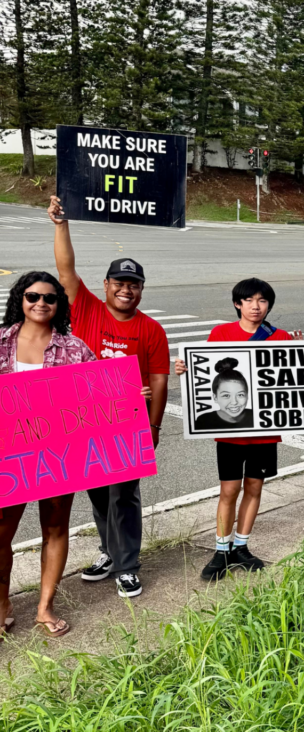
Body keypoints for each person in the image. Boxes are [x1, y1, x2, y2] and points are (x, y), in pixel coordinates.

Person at [49, 196, 169, 600]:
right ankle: (109, 551)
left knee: (123, 495)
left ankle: (128, 565)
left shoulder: (151, 329)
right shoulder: (85, 308)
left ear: (141, 290)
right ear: (106, 285)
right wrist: (61, 224)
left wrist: (152, 426)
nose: (126, 289)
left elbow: (159, 379)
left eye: (133, 284)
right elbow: (66, 270)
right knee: (98, 494)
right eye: (119, 282)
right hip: (84, 419)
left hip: (127, 422)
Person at [174, 278, 297, 581]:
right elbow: (204, 368)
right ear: (237, 304)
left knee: (255, 487)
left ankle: (241, 545)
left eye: (263, 301)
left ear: (269, 305)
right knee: (229, 490)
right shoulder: (221, 333)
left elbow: (294, 378)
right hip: (230, 432)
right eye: (249, 300)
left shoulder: (280, 336)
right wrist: (185, 368)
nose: (256, 307)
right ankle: (221, 549)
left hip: (265, 430)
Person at [0, 273, 98, 639]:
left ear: (60, 304)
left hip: (59, 455)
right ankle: (3, 604)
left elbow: (98, 398)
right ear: (20, 299)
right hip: (7, 455)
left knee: (55, 527)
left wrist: (130, 397)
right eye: (32, 296)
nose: (41, 303)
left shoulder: (74, 348)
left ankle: (45, 606)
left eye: (50, 298)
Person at [194, 359, 254, 430]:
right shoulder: (203, 421)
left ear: (247, 396)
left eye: (240, 395)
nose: (234, 402)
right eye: (226, 395)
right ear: (215, 397)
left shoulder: (258, 416)